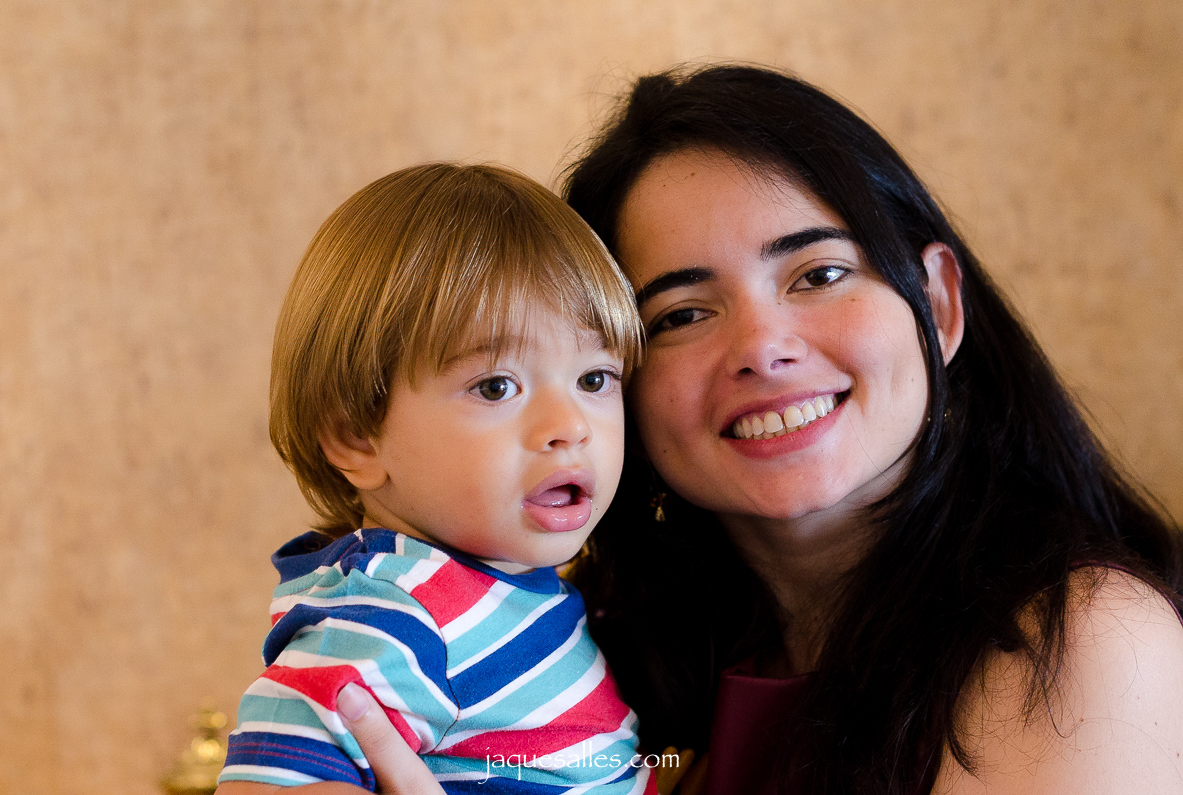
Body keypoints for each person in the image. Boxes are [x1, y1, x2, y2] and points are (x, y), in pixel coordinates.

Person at [326, 65, 1183, 794]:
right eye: (681, 313)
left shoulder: (1083, 642)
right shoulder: (585, 656)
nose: (763, 349)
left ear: (939, 303)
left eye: (818, 272)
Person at [214, 163, 657, 794]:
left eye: (594, 379)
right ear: (356, 437)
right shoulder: (397, 610)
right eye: (497, 386)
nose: (570, 426)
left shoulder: (500, 590)